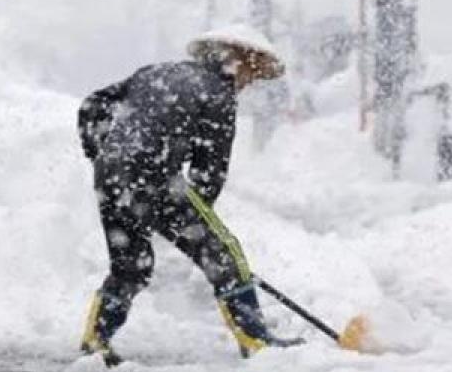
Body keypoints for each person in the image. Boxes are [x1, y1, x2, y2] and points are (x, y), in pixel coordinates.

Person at [77, 25, 303, 366]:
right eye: (252, 74)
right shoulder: (218, 95)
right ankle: (256, 340)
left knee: (131, 265)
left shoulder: (156, 72)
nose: (250, 83)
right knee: (225, 253)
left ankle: (96, 339)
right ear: (239, 61)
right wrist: (195, 226)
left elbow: (93, 105)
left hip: (111, 176)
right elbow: (209, 171)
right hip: (154, 177)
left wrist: (105, 154)